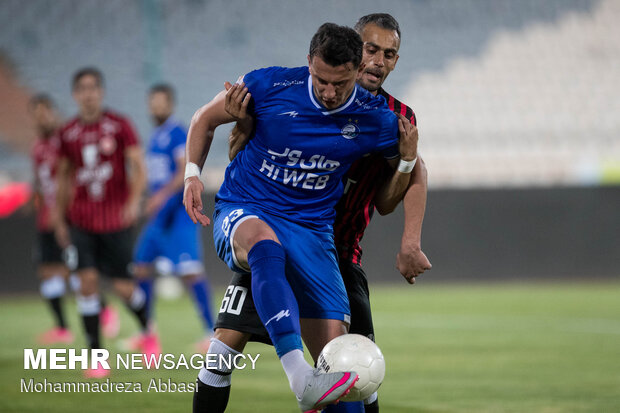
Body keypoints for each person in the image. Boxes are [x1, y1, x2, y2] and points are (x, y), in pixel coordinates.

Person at [196, 13, 431, 413]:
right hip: (271, 231)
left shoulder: (390, 117)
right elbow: (239, 151)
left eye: (389, 54)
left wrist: (410, 236)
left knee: (353, 365)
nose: (378, 61)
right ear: (354, 52)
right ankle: (300, 377)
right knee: (223, 349)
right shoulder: (293, 92)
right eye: (371, 49)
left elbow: (389, 198)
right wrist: (246, 125)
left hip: (335, 250)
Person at [53, 67, 158, 378]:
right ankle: (96, 356)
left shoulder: (120, 125)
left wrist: (132, 202)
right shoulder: (67, 133)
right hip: (81, 222)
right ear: (75, 95)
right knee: (86, 284)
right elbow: (62, 178)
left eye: (93, 88)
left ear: (101, 92)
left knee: (125, 288)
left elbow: (138, 167)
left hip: (115, 222)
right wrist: (59, 219)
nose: (88, 94)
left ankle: (147, 331)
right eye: (82, 89)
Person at [29, 94, 121, 345]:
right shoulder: (37, 147)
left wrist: (66, 215)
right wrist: (34, 199)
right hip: (45, 219)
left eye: (45, 111)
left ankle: (104, 310)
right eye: (36, 113)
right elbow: (41, 181)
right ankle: (62, 327)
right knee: (47, 273)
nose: (41, 117)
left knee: (76, 273)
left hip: (67, 220)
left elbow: (72, 180)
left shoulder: (65, 141)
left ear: (54, 113)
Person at [131, 84, 215, 351]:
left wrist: (159, 197)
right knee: (140, 267)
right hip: (158, 219)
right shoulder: (155, 136)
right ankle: (147, 331)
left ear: (171, 104)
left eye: (161, 102)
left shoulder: (178, 134)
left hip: (177, 214)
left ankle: (210, 332)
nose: (156, 107)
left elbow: (182, 172)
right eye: (152, 102)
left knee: (191, 273)